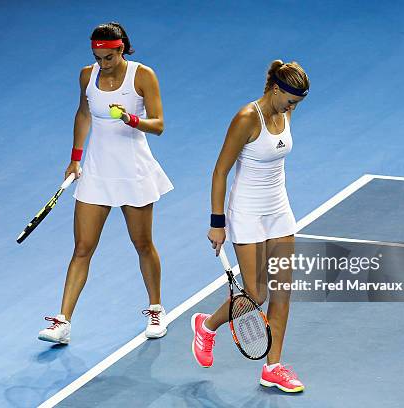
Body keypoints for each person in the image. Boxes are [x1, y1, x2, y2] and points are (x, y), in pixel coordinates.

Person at [39, 22, 173, 344]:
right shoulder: (87, 76)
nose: (102, 64)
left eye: (107, 58)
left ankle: (156, 308)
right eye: (97, 58)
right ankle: (63, 322)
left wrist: (131, 119)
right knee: (82, 248)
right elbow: (83, 114)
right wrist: (74, 158)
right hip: (96, 173)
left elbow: (160, 125)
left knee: (142, 244)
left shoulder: (142, 76)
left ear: (120, 49)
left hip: (133, 173)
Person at [192, 60, 309, 393]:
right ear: (274, 90)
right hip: (246, 211)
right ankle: (207, 326)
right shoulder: (246, 118)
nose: (292, 108)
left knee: (283, 291)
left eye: (297, 104)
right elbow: (220, 171)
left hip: (279, 209)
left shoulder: (286, 110)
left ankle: (272, 367)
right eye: (289, 100)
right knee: (255, 293)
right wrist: (217, 223)